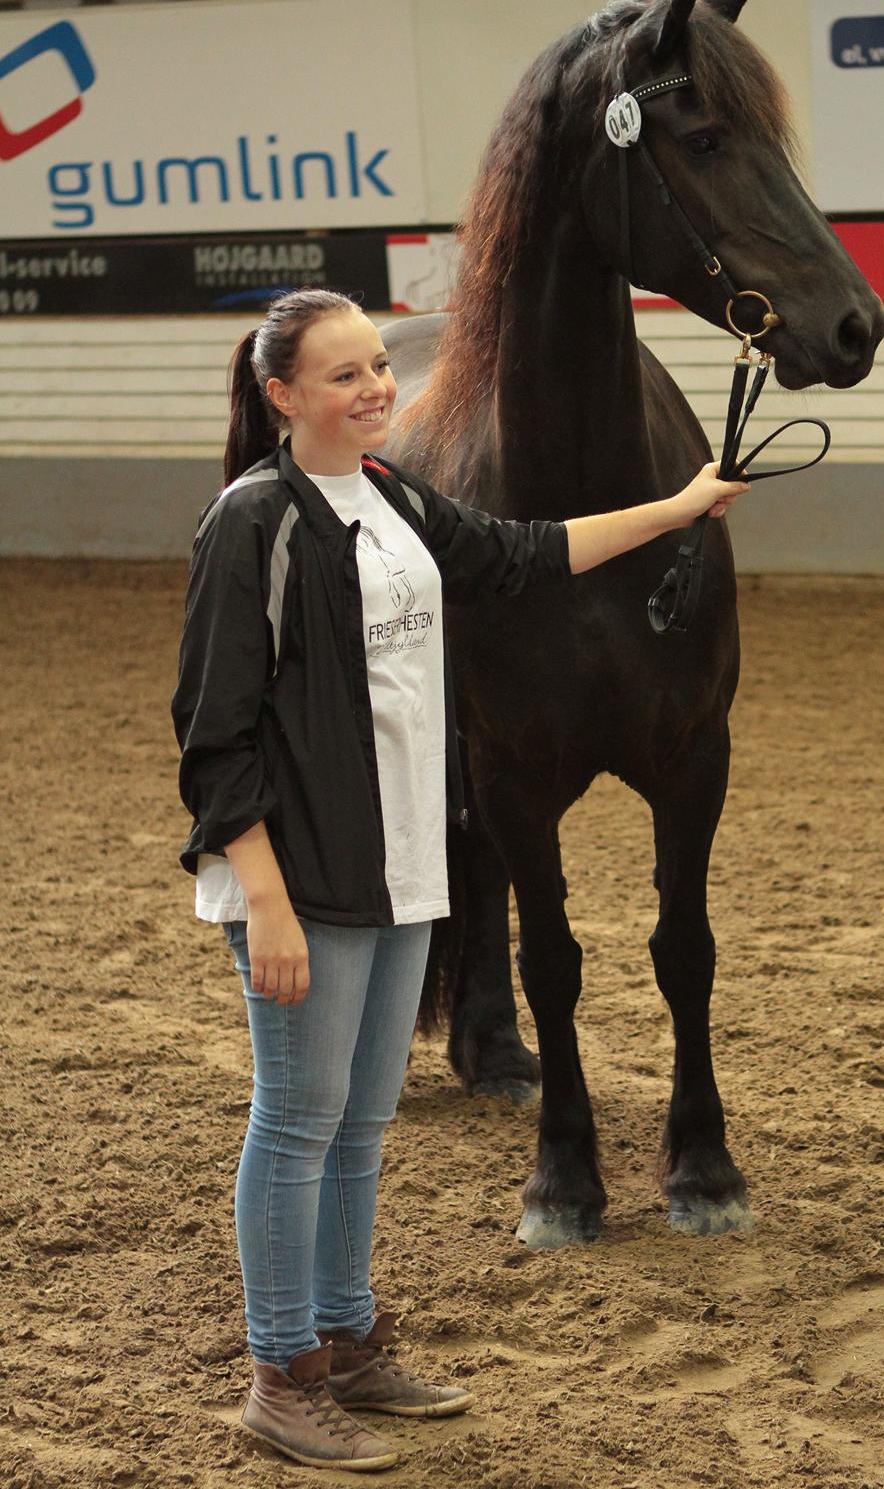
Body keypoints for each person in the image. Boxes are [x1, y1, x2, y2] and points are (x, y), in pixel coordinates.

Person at [171, 287, 748, 1474]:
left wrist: (682, 507)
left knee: (362, 1120)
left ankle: (348, 1338)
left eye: (379, 366)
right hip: (304, 876)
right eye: (343, 376)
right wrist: (262, 897)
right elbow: (212, 733)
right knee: (296, 1127)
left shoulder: (388, 500)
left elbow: (524, 553)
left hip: (398, 865)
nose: (377, 388)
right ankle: (281, 1373)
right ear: (281, 394)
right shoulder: (251, 523)